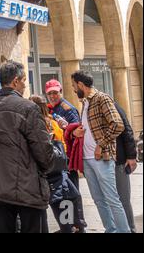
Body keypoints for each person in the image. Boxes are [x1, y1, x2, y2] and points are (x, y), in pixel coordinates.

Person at [0, 60, 54, 233]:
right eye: (23, 81)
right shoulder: (29, 108)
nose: (24, 86)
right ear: (15, 81)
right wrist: (45, 167)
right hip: (27, 188)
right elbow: (44, 151)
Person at [70, 70, 130, 233]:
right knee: (98, 200)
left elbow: (118, 125)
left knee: (112, 199)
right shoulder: (85, 103)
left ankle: (124, 231)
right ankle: (110, 229)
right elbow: (92, 127)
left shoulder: (101, 98)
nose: (74, 89)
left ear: (81, 85)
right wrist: (78, 132)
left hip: (101, 157)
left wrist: (100, 145)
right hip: (87, 159)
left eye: (74, 86)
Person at [29, 95, 83, 233]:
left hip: (44, 179)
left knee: (42, 220)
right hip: (60, 179)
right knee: (67, 220)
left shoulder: (35, 126)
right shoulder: (53, 122)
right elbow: (63, 147)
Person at [45, 78, 87, 232]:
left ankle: (76, 226)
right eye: (50, 94)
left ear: (60, 91)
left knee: (70, 193)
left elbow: (77, 131)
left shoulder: (67, 109)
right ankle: (69, 226)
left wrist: (66, 127)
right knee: (64, 194)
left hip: (67, 158)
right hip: (58, 159)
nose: (53, 96)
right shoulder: (50, 109)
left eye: (55, 93)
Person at [114, 101, 138, 233]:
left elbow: (127, 130)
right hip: (105, 162)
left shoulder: (113, 105)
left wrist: (131, 156)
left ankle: (131, 229)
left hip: (120, 161)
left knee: (123, 198)